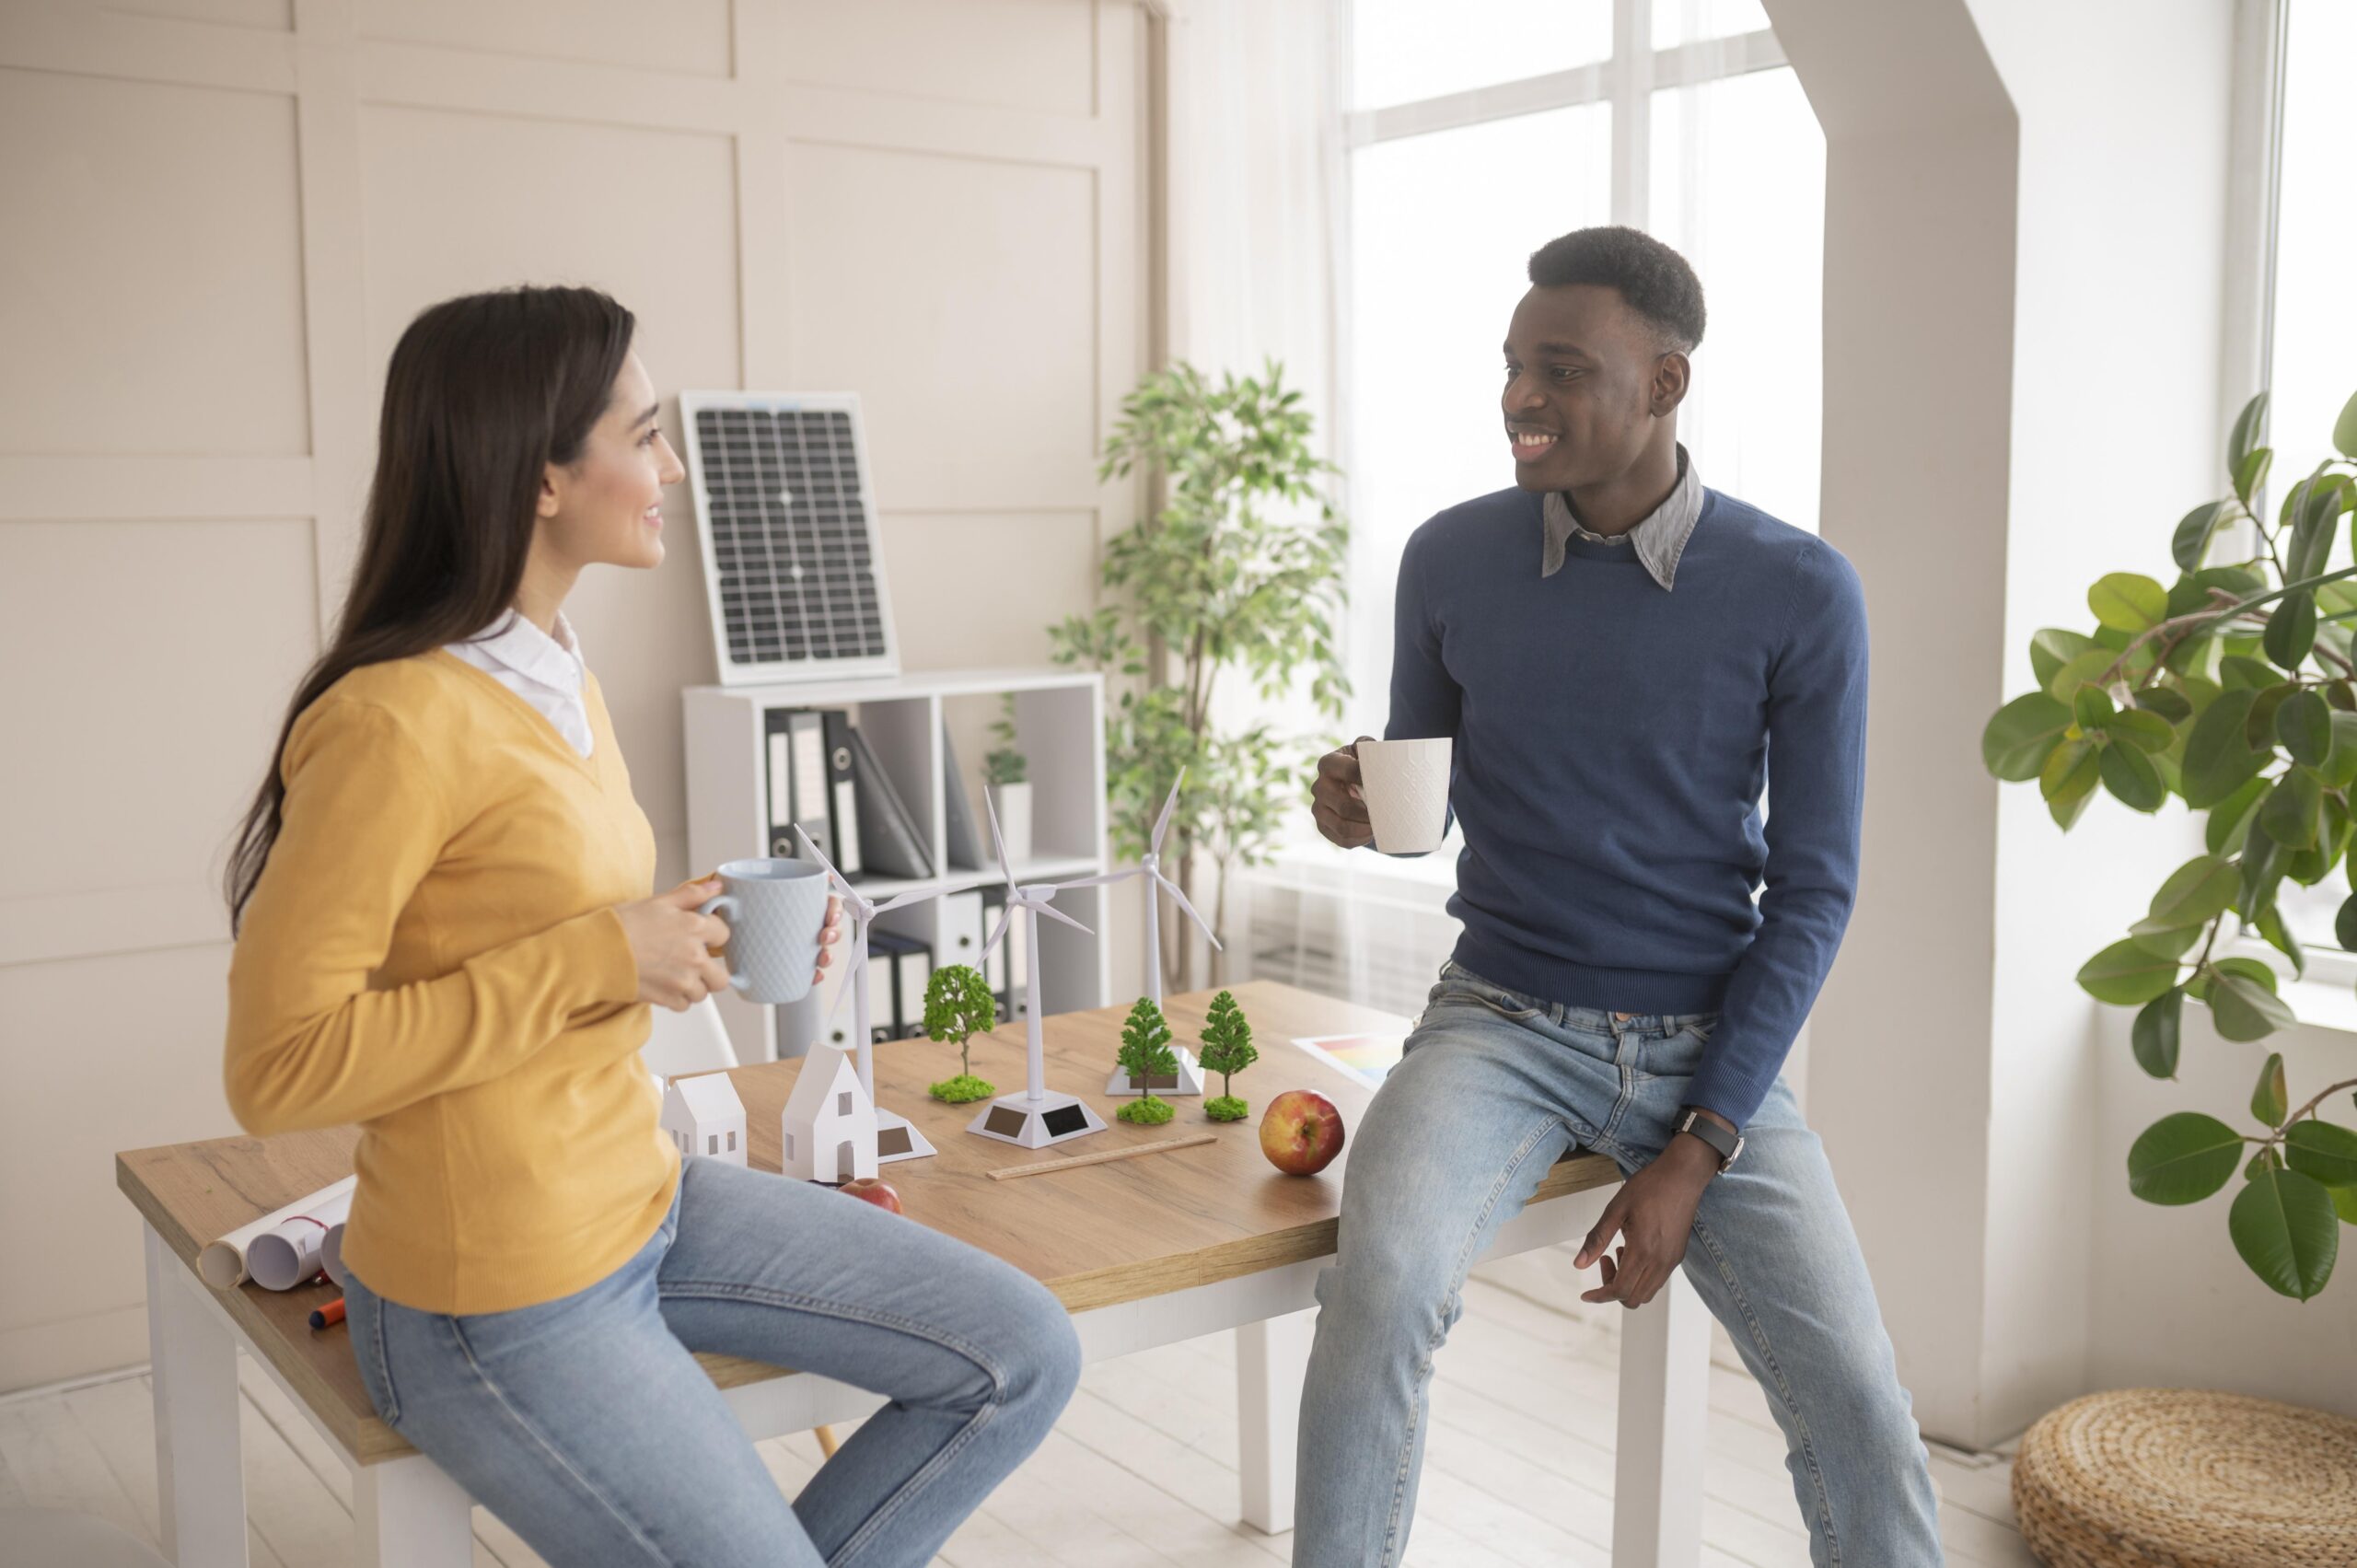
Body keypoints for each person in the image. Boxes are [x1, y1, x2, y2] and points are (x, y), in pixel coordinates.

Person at [221, 285, 1079, 1565]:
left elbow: (551, 921)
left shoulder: (553, 664)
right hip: (493, 1291)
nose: (673, 465)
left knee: (1023, 1351)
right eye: (646, 433)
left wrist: (708, 933)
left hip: (645, 1198)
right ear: (544, 477)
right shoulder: (391, 720)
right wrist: (597, 957)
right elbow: (277, 1066)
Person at [1299, 227, 1942, 1566]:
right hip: (1499, 1023)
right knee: (1379, 1288)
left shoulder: (1799, 591)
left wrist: (1697, 1149)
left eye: (1561, 369)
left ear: (1665, 383)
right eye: (1513, 367)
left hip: (1711, 1040)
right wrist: (1362, 818)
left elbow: (1815, 892)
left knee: (1868, 1406)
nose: (1520, 398)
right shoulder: (1448, 557)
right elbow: (1432, 794)